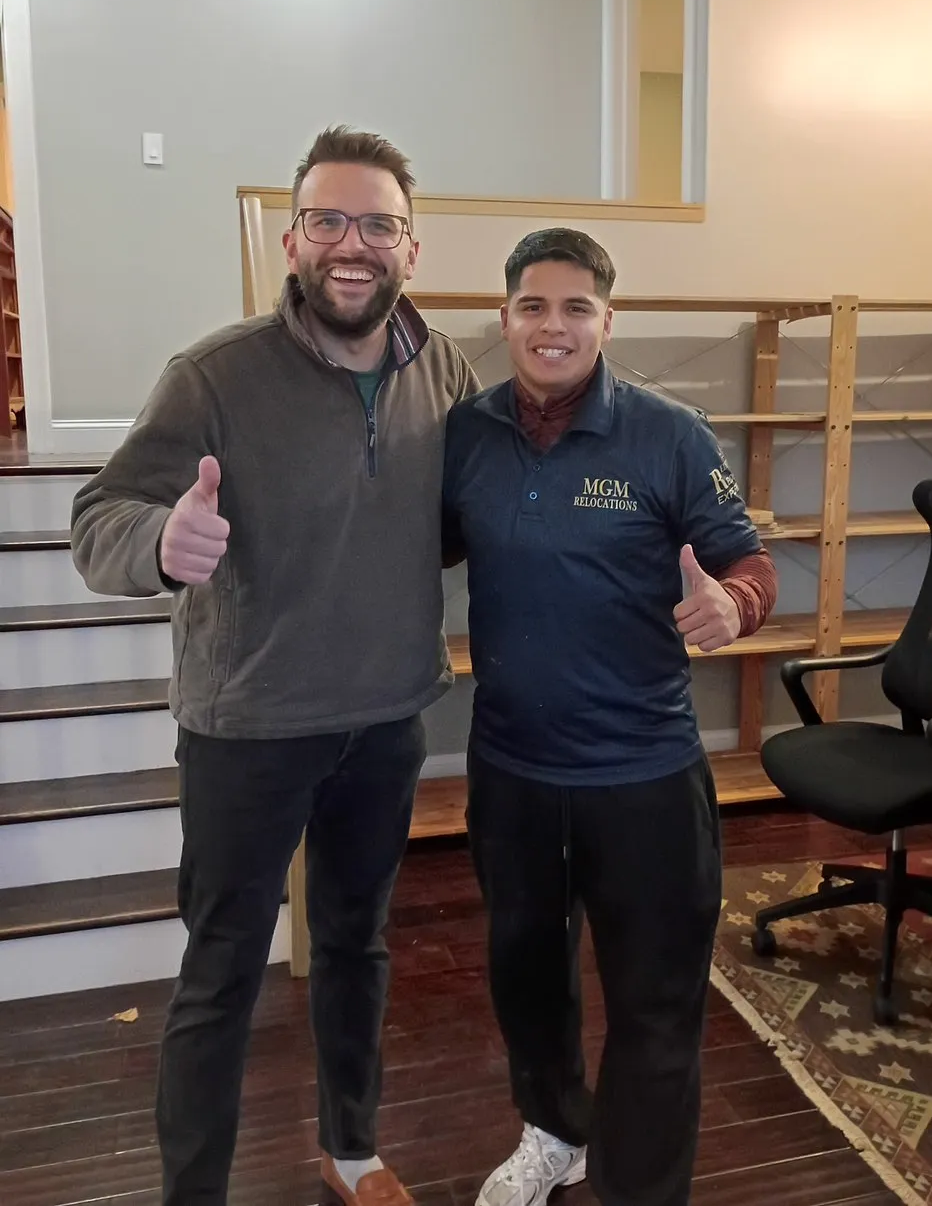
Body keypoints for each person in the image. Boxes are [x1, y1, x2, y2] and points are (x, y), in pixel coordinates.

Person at [70, 126, 479, 1206]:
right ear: (292, 241)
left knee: (356, 947)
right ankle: (190, 1192)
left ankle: (351, 1151)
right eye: (331, 222)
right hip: (246, 728)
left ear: (411, 247)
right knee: (221, 975)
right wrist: (160, 544)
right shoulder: (212, 376)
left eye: (379, 224)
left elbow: (456, 516)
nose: (355, 244)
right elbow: (98, 513)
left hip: (386, 720)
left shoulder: (444, 368)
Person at [442, 229, 778, 1206]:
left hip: (643, 778)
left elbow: (748, 565)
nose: (553, 327)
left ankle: (640, 1188)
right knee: (527, 982)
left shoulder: (669, 434)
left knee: (655, 1007)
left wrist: (733, 604)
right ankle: (556, 1134)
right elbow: (411, 551)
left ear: (606, 319)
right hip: (511, 773)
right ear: (505, 318)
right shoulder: (467, 435)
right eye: (534, 307)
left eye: (575, 307)